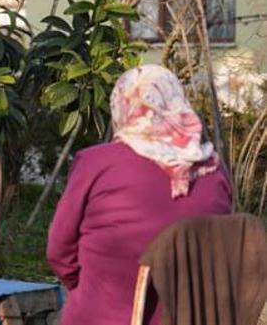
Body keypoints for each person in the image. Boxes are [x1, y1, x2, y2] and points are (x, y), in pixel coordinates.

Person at [46, 64, 232, 325]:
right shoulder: (214, 169)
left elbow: (59, 253)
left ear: (122, 108)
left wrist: (92, 291)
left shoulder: (96, 163)